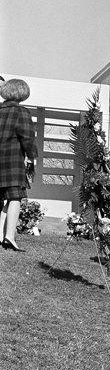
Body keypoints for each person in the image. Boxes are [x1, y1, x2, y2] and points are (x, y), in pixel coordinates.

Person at [0, 79, 36, 252]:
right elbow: (27, 137)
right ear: (22, 93)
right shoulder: (22, 111)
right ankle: (9, 237)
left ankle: (1, 235)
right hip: (12, 159)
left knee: (3, 199)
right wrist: (32, 156)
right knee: (15, 197)